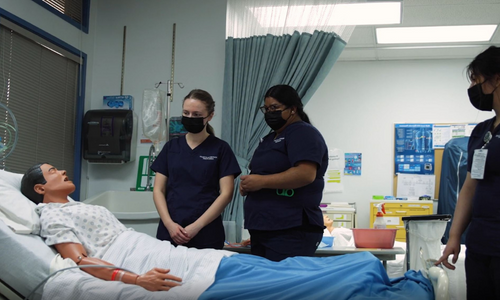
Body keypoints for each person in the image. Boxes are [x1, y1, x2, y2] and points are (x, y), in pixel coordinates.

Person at [20, 163, 434, 300]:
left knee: (286, 270)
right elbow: (79, 260)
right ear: (40, 189)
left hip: (177, 256)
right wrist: (134, 279)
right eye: (53, 171)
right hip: (161, 271)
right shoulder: (53, 216)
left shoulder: (77, 205)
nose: (62, 170)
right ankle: (392, 287)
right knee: (286, 283)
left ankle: (372, 274)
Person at [436, 46, 500, 299]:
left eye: (477, 80)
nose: (475, 88)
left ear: (497, 78)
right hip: (479, 243)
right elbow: (470, 187)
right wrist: (454, 236)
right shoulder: (482, 131)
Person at [240, 84, 328, 262]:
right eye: (266, 109)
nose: (269, 113)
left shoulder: (303, 133)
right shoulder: (268, 139)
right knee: (265, 286)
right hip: (265, 228)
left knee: (284, 286)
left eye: (275, 108)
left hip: (291, 228)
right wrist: (249, 185)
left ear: (293, 109)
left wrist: (261, 182)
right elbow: (262, 173)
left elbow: (305, 174)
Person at [151, 89, 241, 249]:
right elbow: (158, 190)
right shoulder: (171, 148)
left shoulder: (220, 149)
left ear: (210, 116)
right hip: (171, 230)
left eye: (197, 115)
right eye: (186, 113)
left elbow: (226, 194)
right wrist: (169, 224)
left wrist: (197, 226)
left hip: (206, 231)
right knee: (167, 273)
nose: (190, 118)